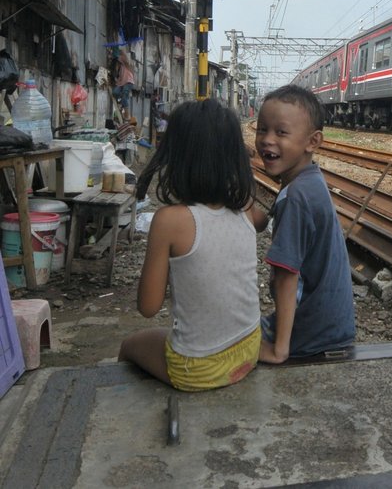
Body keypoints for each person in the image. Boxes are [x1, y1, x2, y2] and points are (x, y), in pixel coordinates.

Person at [118, 98, 265, 391]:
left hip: (197, 369)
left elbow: (147, 307)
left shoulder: (169, 221)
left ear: (177, 159)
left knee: (130, 345)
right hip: (250, 349)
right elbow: (259, 223)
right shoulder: (247, 209)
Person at [254, 84, 355, 364]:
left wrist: (279, 350)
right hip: (331, 328)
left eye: (281, 132)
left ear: (313, 141)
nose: (267, 140)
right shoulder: (308, 180)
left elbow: (287, 275)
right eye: (262, 129)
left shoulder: (296, 196)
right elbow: (264, 221)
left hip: (310, 336)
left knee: (219, 335)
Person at [111, 47, 135, 116]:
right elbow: (119, 78)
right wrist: (116, 80)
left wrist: (121, 51)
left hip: (128, 81)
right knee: (115, 92)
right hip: (122, 83)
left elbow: (125, 59)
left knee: (124, 96)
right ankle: (121, 104)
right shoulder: (119, 68)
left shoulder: (125, 64)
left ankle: (127, 113)